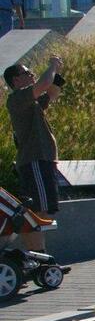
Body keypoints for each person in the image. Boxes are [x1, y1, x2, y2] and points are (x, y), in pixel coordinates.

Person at [4, 56, 64, 252]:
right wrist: (52, 66)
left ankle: (37, 257)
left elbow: (52, 92)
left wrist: (58, 72)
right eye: (27, 73)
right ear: (16, 80)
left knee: (43, 212)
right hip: (34, 161)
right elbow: (44, 83)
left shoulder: (33, 103)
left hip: (43, 161)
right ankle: (38, 257)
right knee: (38, 211)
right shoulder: (17, 98)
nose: (31, 75)